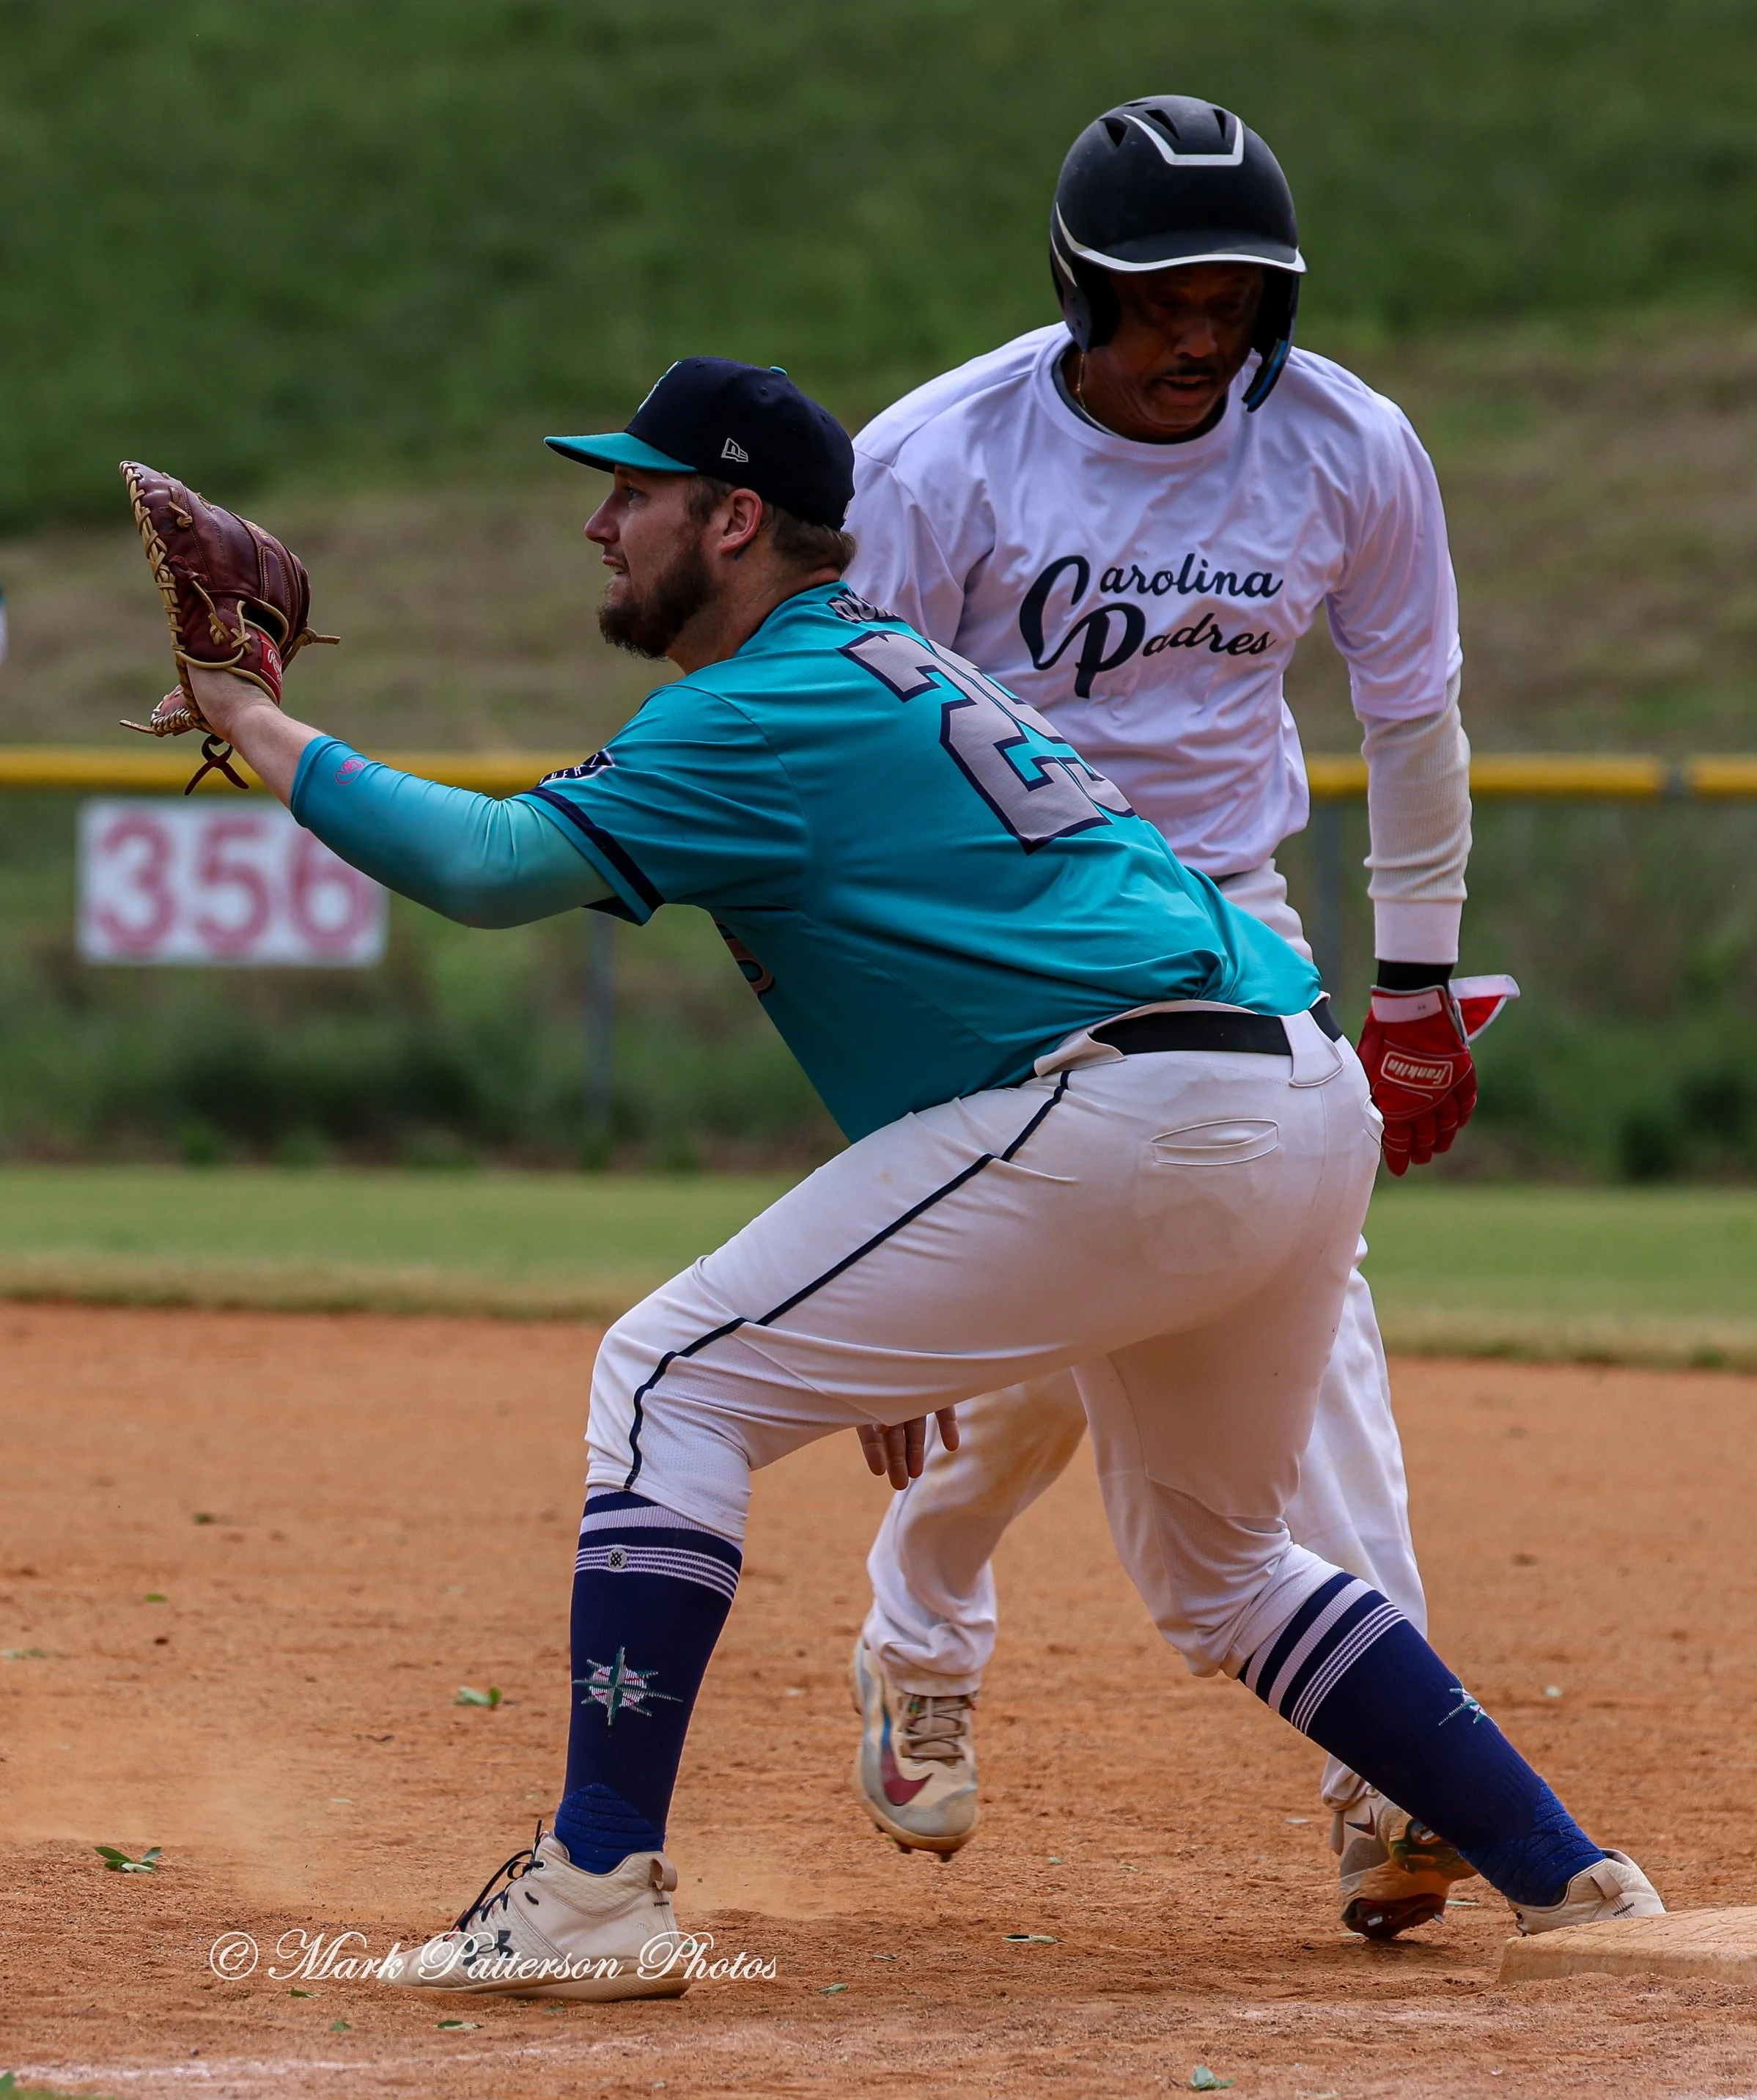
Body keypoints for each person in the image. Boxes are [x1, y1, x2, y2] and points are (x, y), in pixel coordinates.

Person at [179, 356, 1659, 2000]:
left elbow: (486, 863)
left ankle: (592, 1885)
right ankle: (1564, 1873)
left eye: (635, 492)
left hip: (1131, 1108)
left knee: (665, 1378)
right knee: (1224, 1562)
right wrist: (926, 1284)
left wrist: (253, 716)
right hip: (1289, 1098)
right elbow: (988, 953)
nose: (600, 524)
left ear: (734, 519)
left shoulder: (752, 705)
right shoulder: (904, 665)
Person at [841, 94, 1499, 1938]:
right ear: (1074, 293)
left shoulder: (1346, 447)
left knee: (1310, 1323)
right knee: (1048, 1352)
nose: (1196, 339)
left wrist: (1418, 989)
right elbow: (851, 773)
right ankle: (917, 1627)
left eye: (1231, 300)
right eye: (1155, 301)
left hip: (1233, 938)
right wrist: (891, 1111)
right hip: (999, 936)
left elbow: (1412, 722)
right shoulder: (935, 468)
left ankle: (1396, 1771)